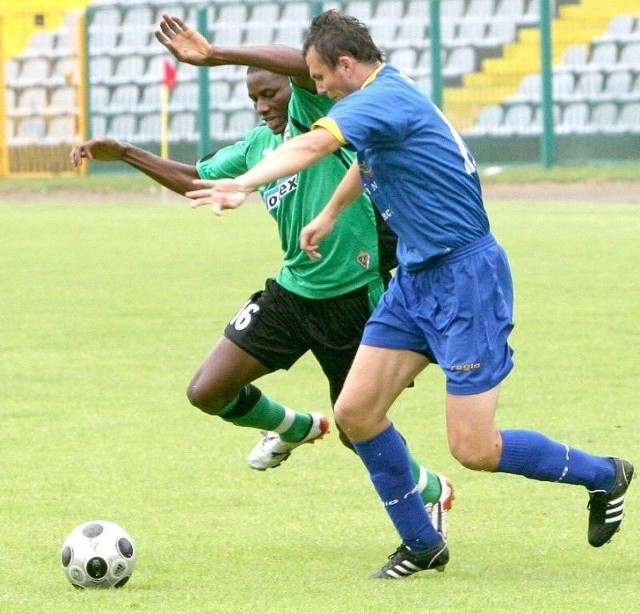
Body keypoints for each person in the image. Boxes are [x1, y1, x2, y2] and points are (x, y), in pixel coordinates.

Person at [184, 10, 635, 580]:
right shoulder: (376, 102)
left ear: (346, 65)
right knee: (355, 412)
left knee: (474, 448)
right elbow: (366, 162)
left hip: (466, 279)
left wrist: (240, 184)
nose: (315, 88)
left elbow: (311, 150)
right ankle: (422, 543)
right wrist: (328, 213)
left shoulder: (379, 99)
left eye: (319, 78)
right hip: (417, 280)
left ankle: (604, 474)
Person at [71, 23, 455, 535]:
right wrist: (127, 154)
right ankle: (294, 427)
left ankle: (431, 490)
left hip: (355, 298)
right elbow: (198, 180)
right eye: (253, 97)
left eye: (269, 93)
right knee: (207, 391)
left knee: (356, 427)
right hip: (292, 294)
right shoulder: (258, 146)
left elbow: (302, 64)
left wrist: (215, 55)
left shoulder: (317, 113)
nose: (262, 105)